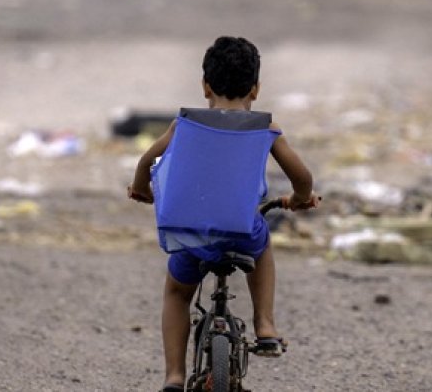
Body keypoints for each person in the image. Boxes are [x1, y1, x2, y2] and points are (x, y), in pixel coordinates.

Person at [127, 36, 320, 392]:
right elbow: (302, 177)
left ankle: (173, 376)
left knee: (177, 294)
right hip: (240, 232)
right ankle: (265, 325)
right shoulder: (265, 128)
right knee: (262, 242)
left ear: (205, 86)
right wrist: (301, 198)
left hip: (192, 236)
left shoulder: (183, 125)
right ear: (256, 89)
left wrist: (142, 190)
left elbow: (145, 161)